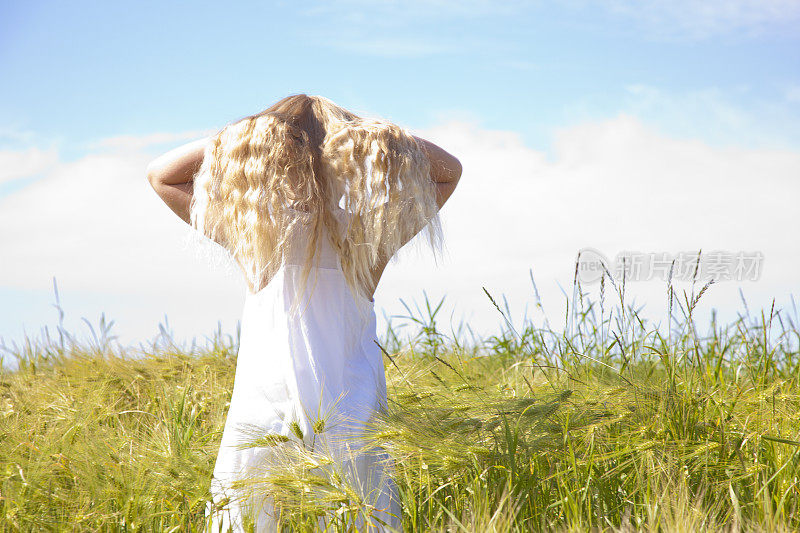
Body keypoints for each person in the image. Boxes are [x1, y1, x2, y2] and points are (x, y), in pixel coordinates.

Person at [146, 93, 462, 532]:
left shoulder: (257, 236)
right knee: (366, 522)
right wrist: (366, 134)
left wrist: (249, 136)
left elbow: (163, 175)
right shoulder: (362, 238)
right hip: (353, 414)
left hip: (266, 413)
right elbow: (448, 173)